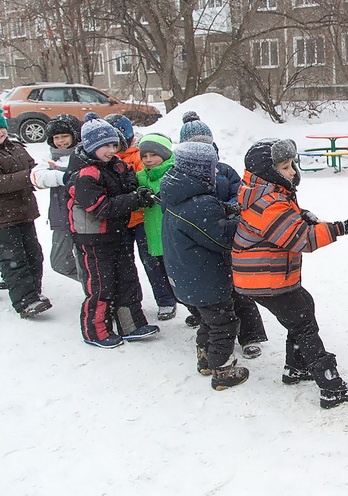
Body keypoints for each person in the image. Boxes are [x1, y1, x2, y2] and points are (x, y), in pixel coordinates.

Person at [232, 138, 348, 409]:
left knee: (304, 307)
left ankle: (296, 368)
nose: (293, 171)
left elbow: (286, 223)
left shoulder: (270, 194)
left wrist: (301, 214)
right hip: (262, 277)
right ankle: (331, 386)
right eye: (285, 167)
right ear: (269, 173)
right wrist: (339, 228)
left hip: (269, 275)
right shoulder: (268, 202)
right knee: (303, 323)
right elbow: (301, 239)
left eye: (292, 164)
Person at [178, 110, 268, 358]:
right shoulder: (183, 176)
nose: (201, 150)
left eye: (205, 144)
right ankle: (215, 336)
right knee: (214, 294)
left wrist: (231, 207)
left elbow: (241, 193)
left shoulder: (224, 170)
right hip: (206, 238)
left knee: (240, 289)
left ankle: (251, 335)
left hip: (229, 235)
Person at [160, 141, 249, 390]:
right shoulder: (199, 204)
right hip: (205, 278)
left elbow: (200, 223)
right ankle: (223, 370)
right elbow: (221, 238)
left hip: (186, 275)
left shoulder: (179, 194)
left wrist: (225, 209)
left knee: (208, 321)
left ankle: (205, 358)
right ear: (199, 170)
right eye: (213, 168)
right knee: (224, 323)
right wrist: (243, 221)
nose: (217, 172)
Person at [67, 114, 160, 348]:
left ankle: (131, 324)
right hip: (94, 238)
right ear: (91, 147)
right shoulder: (87, 174)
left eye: (113, 144)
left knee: (127, 279)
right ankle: (95, 331)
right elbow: (100, 207)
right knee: (100, 285)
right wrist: (133, 199)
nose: (111, 150)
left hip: (119, 233)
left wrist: (137, 191)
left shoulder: (117, 165)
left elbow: (129, 183)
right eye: (104, 146)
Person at [0, 107, 50, 318]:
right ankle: (25, 302)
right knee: (14, 261)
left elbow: (32, 167)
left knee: (34, 255)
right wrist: (30, 177)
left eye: (0, 127)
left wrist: (44, 173)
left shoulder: (15, 147)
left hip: (24, 211)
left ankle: (35, 292)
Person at [107, 113, 178, 321]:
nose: (148, 160)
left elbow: (147, 181)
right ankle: (132, 301)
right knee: (135, 264)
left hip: (144, 220)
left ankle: (167, 299)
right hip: (123, 219)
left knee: (156, 262)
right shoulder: (108, 159)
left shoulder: (139, 156)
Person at [30, 113, 82, 281]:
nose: (61, 141)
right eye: (56, 137)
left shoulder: (84, 154)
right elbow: (38, 178)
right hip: (61, 218)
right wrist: (62, 177)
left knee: (85, 261)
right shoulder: (51, 158)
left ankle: (96, 295)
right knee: (59, 262)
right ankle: (92, 283)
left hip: (85, 218)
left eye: (65, 136)